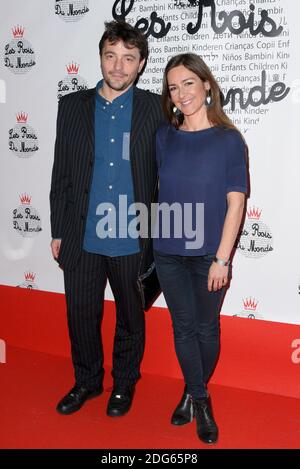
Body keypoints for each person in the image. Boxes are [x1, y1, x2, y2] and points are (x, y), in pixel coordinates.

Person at [50, 20, 163, 417]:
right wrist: (58, 230)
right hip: (81, 234)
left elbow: (168, 173)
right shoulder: (73, 106)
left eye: (128, 58)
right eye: (111, 56)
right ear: (100, 57)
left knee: (131, 318)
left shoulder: (156, 108)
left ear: (141, 63)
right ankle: (87, 381)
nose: (118, 66)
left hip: (133, 236)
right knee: (81, 314)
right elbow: (61, 173)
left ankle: (124, 384)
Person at [153, 53, 248, 444]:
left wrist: (222, 259)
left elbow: (236, 203)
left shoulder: (228, 139)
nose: (181, 93)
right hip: (168, 250)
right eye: (173, 87)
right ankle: (201, 398)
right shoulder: (164, 136)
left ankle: (193, 394)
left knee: (206, 329)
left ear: (206, 85)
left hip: (210, 253)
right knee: (183, 327)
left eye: (188, 83)